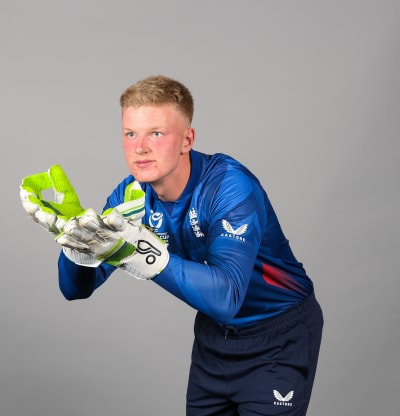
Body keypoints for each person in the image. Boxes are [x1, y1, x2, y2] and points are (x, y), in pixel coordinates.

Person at [20, 75, 323, 415]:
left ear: (186, 139)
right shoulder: (131, 196)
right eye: (130, 133)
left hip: (277, 335)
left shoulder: (229, 186)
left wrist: (139, 254)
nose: (140, 147)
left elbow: (226, 298)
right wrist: (76, 246)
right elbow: (75, 289)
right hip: (214, 339)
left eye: (156, 133)